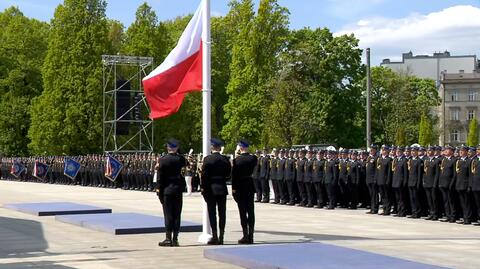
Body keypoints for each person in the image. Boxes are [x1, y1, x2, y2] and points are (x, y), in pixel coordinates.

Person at [156, 138, 187, 247]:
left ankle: (168, 238)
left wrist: (158, 190)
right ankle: (175, 238)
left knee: (168, 214)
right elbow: (183, 174)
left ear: (168, 147)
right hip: (178, 190)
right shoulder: (182, 159)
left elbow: (160, 178)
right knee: (177, 214)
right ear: (177, 147)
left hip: (167, 190)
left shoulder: (163, 160)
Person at [201, 138, 231, 245]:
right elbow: (228, 174)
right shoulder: (225, 159)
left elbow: (204, 176)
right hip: (222, 188)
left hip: (211, 188)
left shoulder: (207, 159)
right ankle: (222, 236)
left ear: (212, 147)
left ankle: (215, 236)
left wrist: (203, 188)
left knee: (212, 213)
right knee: (222, 213)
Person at [232, 139, 258, 244]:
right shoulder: (253, 158)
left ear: (241, 148)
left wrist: (233, 189)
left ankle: (245, 235)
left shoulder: (236, 160)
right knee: (251, 211)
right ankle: (251, 236)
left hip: (240, 187)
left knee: (242, 212)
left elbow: (234, 177)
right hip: (250, 186)